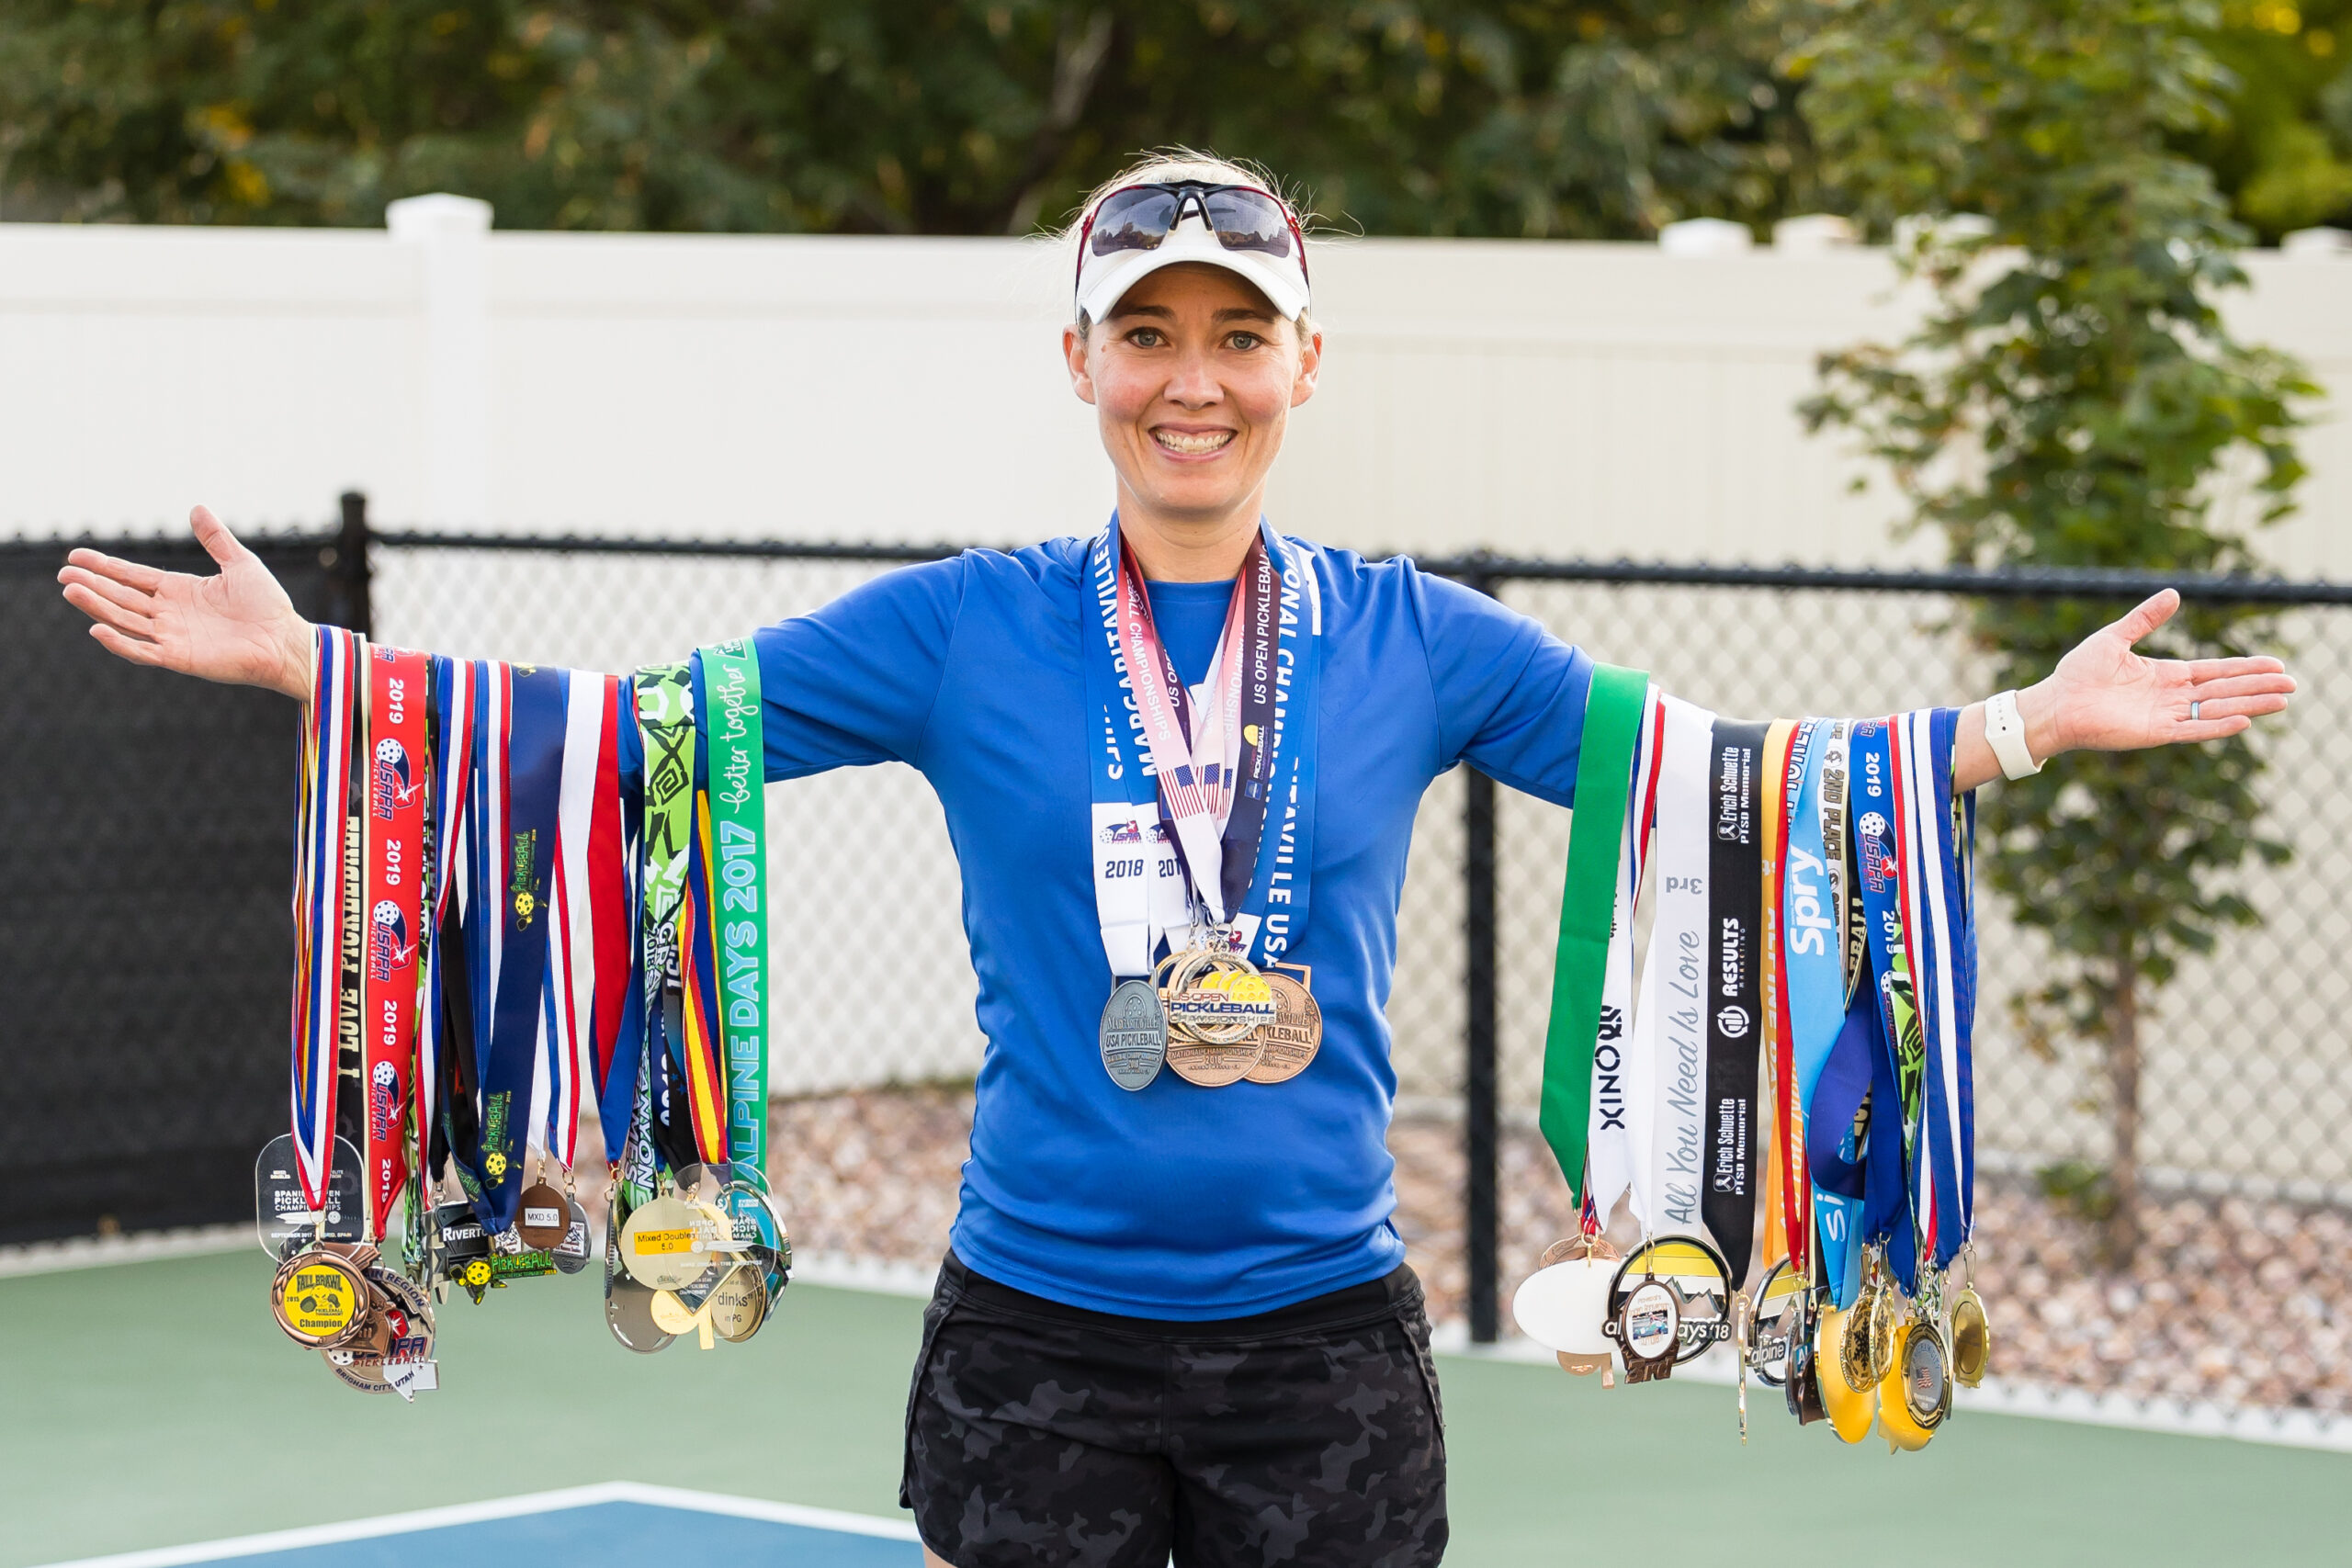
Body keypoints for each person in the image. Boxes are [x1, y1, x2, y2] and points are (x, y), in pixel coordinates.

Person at [56, 152, 2295, 1568]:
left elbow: (1742, 773)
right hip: (1030, 1345)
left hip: (1322, 1350)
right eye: (1149, 335)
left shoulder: (1419, 638)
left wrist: (2017, 723)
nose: (1190, 378)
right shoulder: (951, 631)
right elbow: (635, 741)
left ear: (1304, 363)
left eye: (1236, 333)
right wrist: (318, 674)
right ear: (1082, 362)